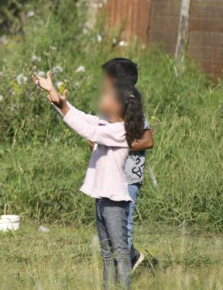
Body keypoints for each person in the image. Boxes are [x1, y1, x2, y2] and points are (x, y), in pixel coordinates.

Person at [34, 71, 145, 289]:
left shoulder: (120, 131)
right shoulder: (107, 124)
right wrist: (55, 95)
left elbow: (87, 130)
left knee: (120, 253)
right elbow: (83, 117)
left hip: (114, 202)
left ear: (119, 106)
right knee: (106, 254)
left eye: (108, 97)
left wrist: (62, 106)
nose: (102, 99)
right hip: (102, 198)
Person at [101, 58, 154, 271]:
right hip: (108, 176)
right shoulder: (107, 107)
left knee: (124, 226)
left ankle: (122, 272)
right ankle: (130, 258)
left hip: (128, 178)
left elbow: (148, 140)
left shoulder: (133, 108)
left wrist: (121, 144)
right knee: (108, 225)